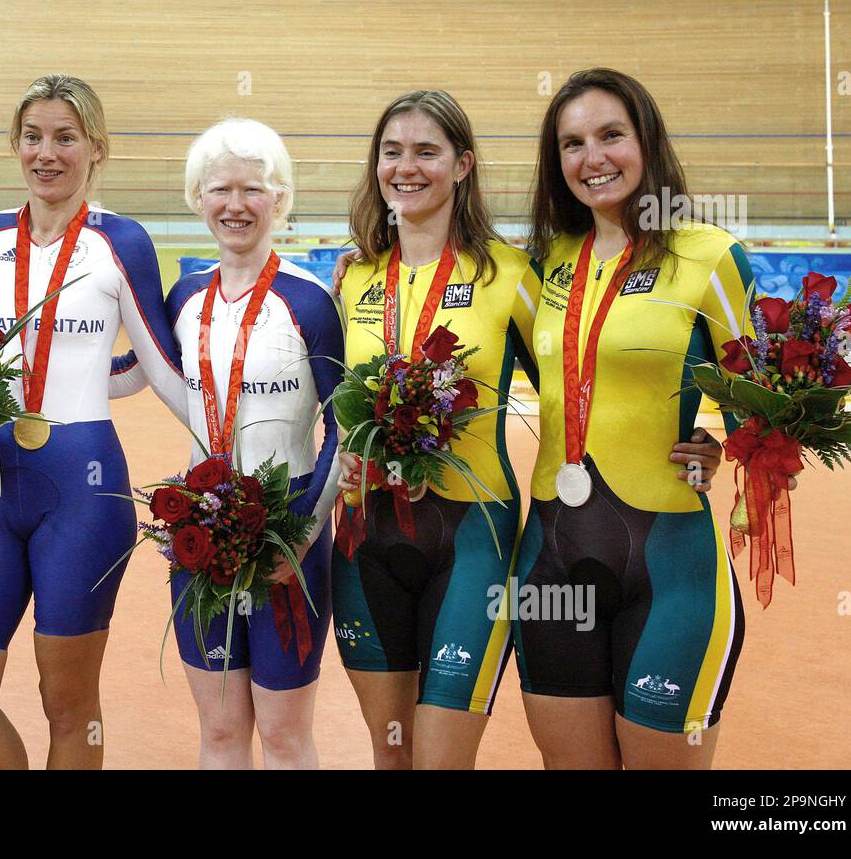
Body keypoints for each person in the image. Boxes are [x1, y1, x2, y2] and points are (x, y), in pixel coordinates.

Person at [0, 74, 187, 769]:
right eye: (34, 136)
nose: (48, 152)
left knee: (67, 704)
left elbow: (157, 365)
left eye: (65, 137)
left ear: (96, 148)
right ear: (15, 144)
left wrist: (237, 450)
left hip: (84, 489)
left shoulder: (120, 242)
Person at [514, 68, 765, 769]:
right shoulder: (537, 266)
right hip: (551, 567)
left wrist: (721, 440)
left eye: (610, 135)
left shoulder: (709, 256)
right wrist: (370, 254)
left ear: (646, 140)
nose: (592, 157)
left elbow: (768, 408)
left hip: (669, 567)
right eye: (572, 143)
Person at [109, 119, 343, 769]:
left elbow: (343, 426)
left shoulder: (310, 300)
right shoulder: (183, 297)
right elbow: (138, 368)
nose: (235, 204)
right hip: (201, 527)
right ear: (197, 197)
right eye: (220, 189)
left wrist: (300, 531)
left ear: (281, 198)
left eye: (253, 189)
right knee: (217, 732)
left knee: (285, 734)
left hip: (288, 525)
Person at [327, 91, 541, 770]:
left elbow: (580, 382)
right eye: (392, 152)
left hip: (472, 535)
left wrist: (696, 439)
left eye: (426, 151)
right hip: (367, 540)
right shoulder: (353, 276)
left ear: (462, 165)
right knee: (390, 756)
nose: (406, 167)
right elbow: (332, 408)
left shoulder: (510, 274)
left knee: (441, 759)